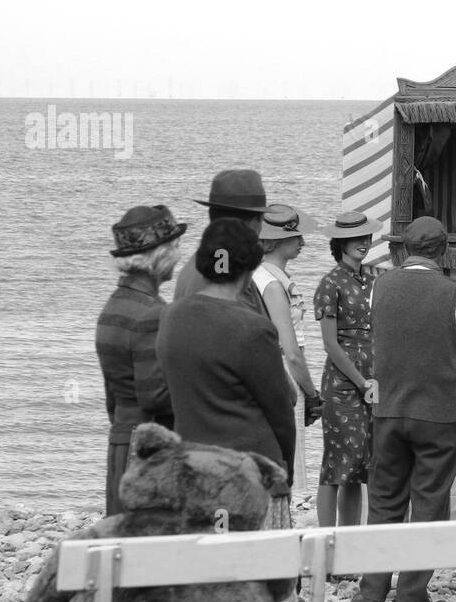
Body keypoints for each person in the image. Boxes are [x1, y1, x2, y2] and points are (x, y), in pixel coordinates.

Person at [352, 217, 456, 602]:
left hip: (388, 408)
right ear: (442, 251)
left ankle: (370, 595)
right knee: (428, 502)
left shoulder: (379, 285)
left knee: (385, 499)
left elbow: (380, 330)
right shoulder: (455, 291)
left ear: (403, 250)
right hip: (438, 412)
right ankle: (411, 599)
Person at [157, 219, 297, 526]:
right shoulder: (254, 328)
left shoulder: (170, 318)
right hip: (251, 469)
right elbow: (281, 412)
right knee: (260, 569)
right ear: (250, 269)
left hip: (194, 465)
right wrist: (285, 469)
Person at [95, 205, 186, 515]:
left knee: (124, 545)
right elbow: (156, 395)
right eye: (174, 246)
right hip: (150, 449)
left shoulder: (113, 307)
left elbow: (112, 395)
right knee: (152, 547)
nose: (178, 253)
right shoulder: (152, 312)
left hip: (122, 439)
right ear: (159, 256)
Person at [312, 211, 383, 529]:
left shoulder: (372, 280)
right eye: (357, 238)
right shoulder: (330, 283)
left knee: (357, 466)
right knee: (335, 464)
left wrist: (373, 380)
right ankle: (327, 541)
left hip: (370, 382)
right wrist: (362, 382)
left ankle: (350, 541)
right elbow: (330, 344)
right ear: (340, 242)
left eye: (366, 238)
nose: (363, 243)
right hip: (342, 385)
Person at [252, 204, 322, 487]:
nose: (302, 242)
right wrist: (312, 394)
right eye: (295, 237)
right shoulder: (271, 284)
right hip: (283, 373)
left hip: (266, 371)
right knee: (288, 458)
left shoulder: (257, 276)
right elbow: (292, 352)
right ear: (275, 242)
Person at [173, 169, 271, 316]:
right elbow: (245, 329)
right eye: (261, 219)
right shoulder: (232, 273)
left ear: (211, 214)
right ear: (253, 223)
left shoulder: (198, 263)